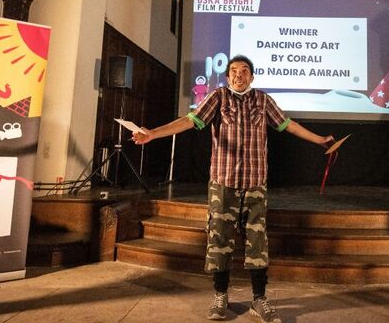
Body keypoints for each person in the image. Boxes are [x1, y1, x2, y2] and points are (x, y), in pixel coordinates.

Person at [132, 55, 333, 323]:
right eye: (234, 71)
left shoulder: (263, 100)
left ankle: (259, 300)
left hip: (255, 185)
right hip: (223, 184)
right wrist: (153, 133)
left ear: (252, 76)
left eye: (245, 70)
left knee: (258, 244)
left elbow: (289, 125)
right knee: (219, 242)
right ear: (227, 77)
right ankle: (220, 297)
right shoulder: (217, 97)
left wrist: (320, 139)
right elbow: (189, 121)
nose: (239, 75)